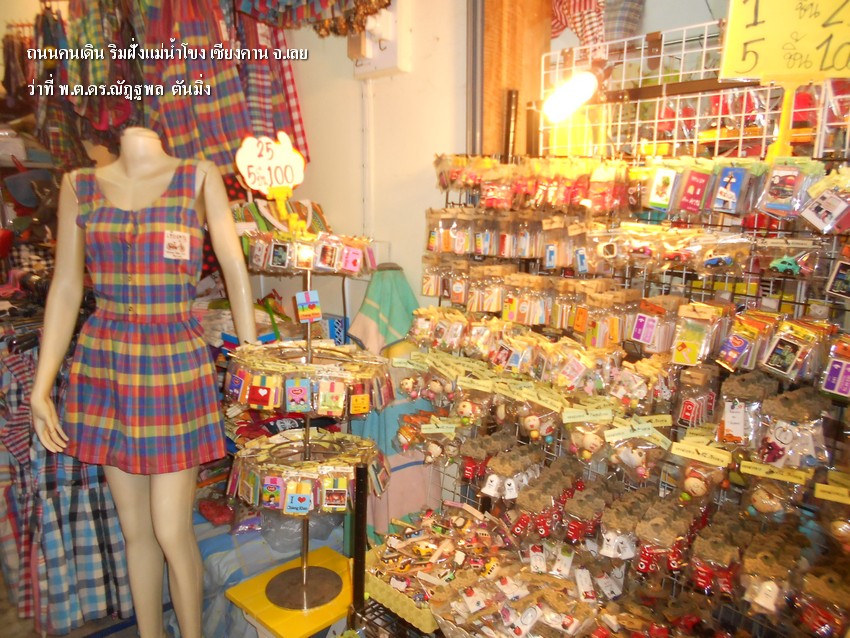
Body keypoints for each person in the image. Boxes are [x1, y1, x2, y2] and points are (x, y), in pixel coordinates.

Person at [30, 127, 257, 638]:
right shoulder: (79, 185)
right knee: (135, 530)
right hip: (106, 362)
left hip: (172, 362)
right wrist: (40, 386)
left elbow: (234, 267)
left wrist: (251, 357)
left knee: (171, 529)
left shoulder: (197, 177)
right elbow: (65, 286)